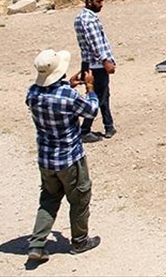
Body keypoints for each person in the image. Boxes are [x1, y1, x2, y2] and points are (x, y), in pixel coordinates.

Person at [25, 49, 102, 263]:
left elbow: (50, 97)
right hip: (70, 157)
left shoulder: (32, 93)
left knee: (49, 199)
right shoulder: (67, 96)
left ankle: (37, 244)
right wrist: (90, 88)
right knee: (79, 198)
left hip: (46, 158)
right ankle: (80, 241)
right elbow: (91, 111)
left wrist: (68, 84)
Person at [75, 0, 116, 143]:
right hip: (97, 65)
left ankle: (109, 125)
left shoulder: (81, 18)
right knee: (98, 97)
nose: (101, 5)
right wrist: (106, 61)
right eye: (98, 1)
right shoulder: (89, 20)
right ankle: (85, 130)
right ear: (89, 2)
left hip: (88, 62)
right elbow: (95, 43)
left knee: (103, 95)